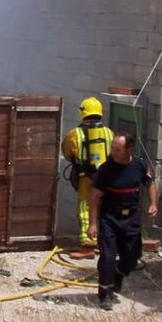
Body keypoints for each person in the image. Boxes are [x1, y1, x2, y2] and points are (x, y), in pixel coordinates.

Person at [87, 132, 158, 310]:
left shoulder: (139, 165)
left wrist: (153, 204)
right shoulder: (105, 169)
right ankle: (105, 293)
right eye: (113, 148)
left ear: (129, 149)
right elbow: (95, 196)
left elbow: (149, 184)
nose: (113, 152)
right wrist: (93, 223)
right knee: (108, 256)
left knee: (132, 257)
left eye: (118, 150)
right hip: (109, 218)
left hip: (131, 218)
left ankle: (118, 273)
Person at [61, 97, 115, 247]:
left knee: (85, 204)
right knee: (103, 204)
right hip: (106, 178)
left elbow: (67, 153)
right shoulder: (109, 133)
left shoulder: (75, 134)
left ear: (83, 112)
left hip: (85, 177)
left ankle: (87, 237)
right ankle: (104, 235)